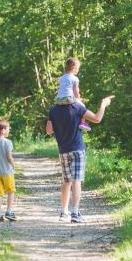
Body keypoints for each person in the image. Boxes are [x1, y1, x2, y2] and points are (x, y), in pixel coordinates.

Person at [46, 94, 115, 223]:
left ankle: (63, 212)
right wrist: (103, 104)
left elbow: (49, 131)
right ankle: (75, 213)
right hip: (77, 149)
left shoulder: (53, 110)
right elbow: (97, 118)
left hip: (63, 150)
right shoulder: (77, 107)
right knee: (76, 180)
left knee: (66, 181)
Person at [55, 57, 91, 131]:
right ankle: (82, 123)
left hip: (58, 100)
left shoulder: (61, 78)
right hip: (68, 98)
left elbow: (63, 89)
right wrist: (78, 99)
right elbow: (76, 91)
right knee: (82, 106)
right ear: (74, 68)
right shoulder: (75, 78)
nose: (78, 70)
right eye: (78, 68)